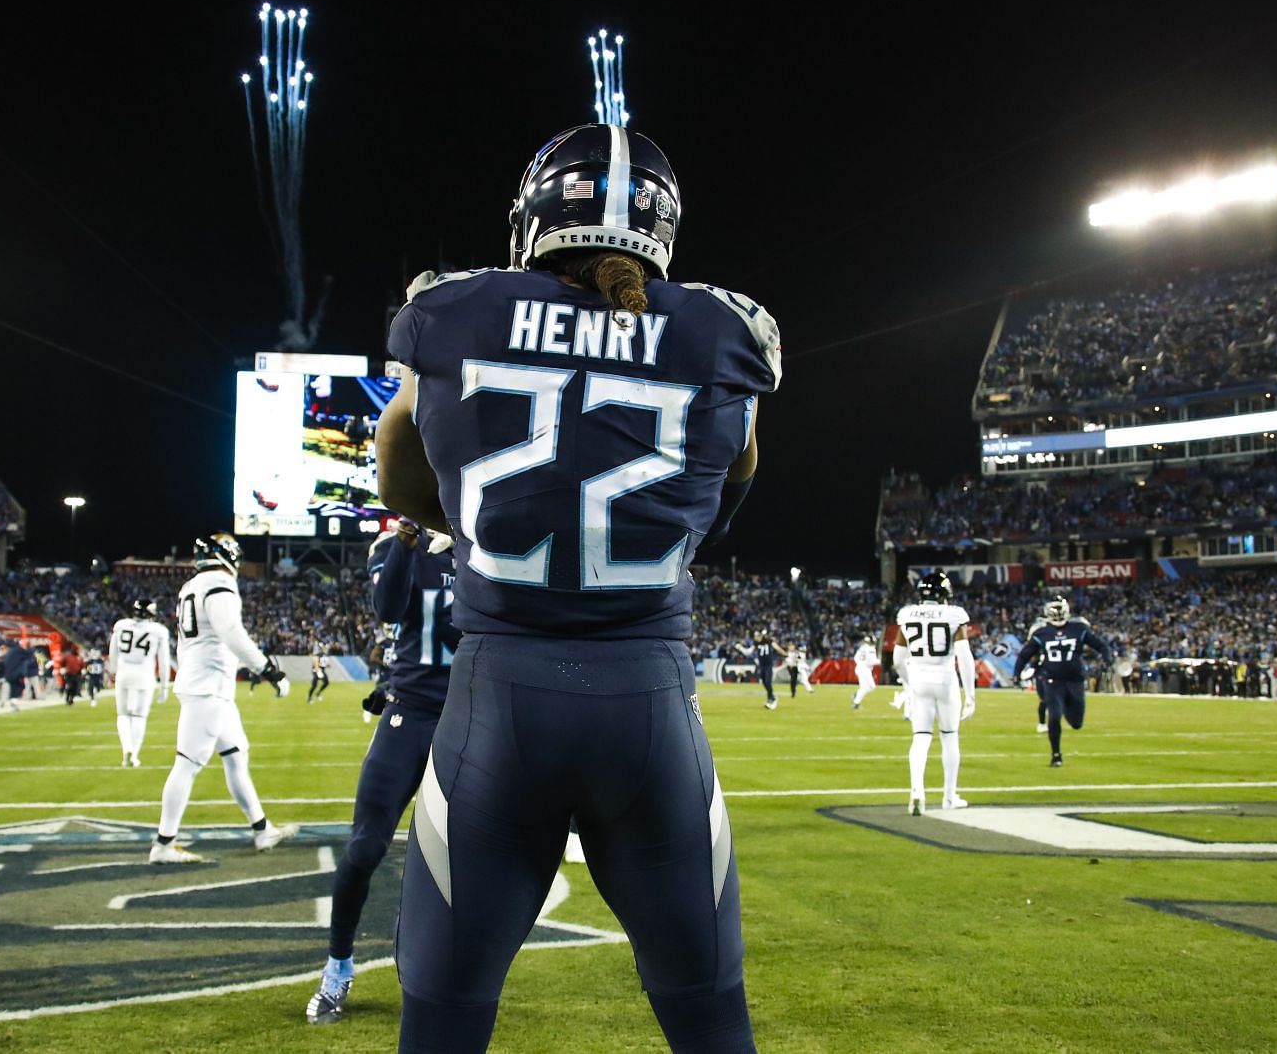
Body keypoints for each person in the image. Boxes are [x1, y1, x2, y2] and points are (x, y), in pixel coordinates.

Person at [373, 122, 778, 1052]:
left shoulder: (453, 311)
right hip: (649, 701)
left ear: (532, 221)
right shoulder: (723, 334)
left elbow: (398, 466)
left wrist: (491, 520)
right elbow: (730, 479)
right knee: (711, 1015)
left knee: (442, 1017)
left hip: (496, 699)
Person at [307, 519, 458, 1026]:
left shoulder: (485, 543)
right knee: (366, 847)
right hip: (408, 713)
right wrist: (408, 540)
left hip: (467, 718)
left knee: (468, 857)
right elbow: (388, 607)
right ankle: (337, 967)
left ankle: (448, 971)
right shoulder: (397, 545)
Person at [149, 533, 291, 863]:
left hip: (208, 685)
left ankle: (261, 829)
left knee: (236, 756)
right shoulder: (218, 582)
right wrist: (268, 669)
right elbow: (231, 634)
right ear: (228, 555)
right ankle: (164, 844)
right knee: (186, 764)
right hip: (208, 687)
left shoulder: (193, 585)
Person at [895, 570, 975, 815]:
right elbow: (964, 656)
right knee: (949, 736)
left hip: (918, 678)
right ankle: (949, 797)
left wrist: (909, 685)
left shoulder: (907, 614)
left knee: (920, 737)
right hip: (945, 678)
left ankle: (916, 791)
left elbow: (898, 659)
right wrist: (971, 694)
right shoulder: (953, 614)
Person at [1015, 595, 1111, 768]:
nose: (1057, 613)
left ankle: (1066, 707)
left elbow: (1101, 645)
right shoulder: (1041, 632)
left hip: (1075, 680)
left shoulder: (1079, 628)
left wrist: (1107, 658)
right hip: (1052, 680)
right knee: (1054, 716)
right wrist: (1017, 673)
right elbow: (1024, 654)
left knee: (1076, 723)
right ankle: (1056, 755)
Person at [108, 599, 172, 767]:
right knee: (139, 715)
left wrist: (113, 671)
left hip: (124, 670)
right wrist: (164, 687)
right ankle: (134, 754)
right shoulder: (158, 631)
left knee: (123, 714)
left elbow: (112, 653)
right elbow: (164, 661)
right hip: (144, 673)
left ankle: (126, 749)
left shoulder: (121, 625)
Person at [849, 633, 880, 710]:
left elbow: (856, 658)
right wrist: (879, 661)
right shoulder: (871, 649)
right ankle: (856, 703)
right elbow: (871, 661)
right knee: (867, 687)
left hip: (860, 668)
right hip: (865, 670)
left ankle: (857, 696)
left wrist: (861, 664)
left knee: (870, 687)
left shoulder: (862, 648)